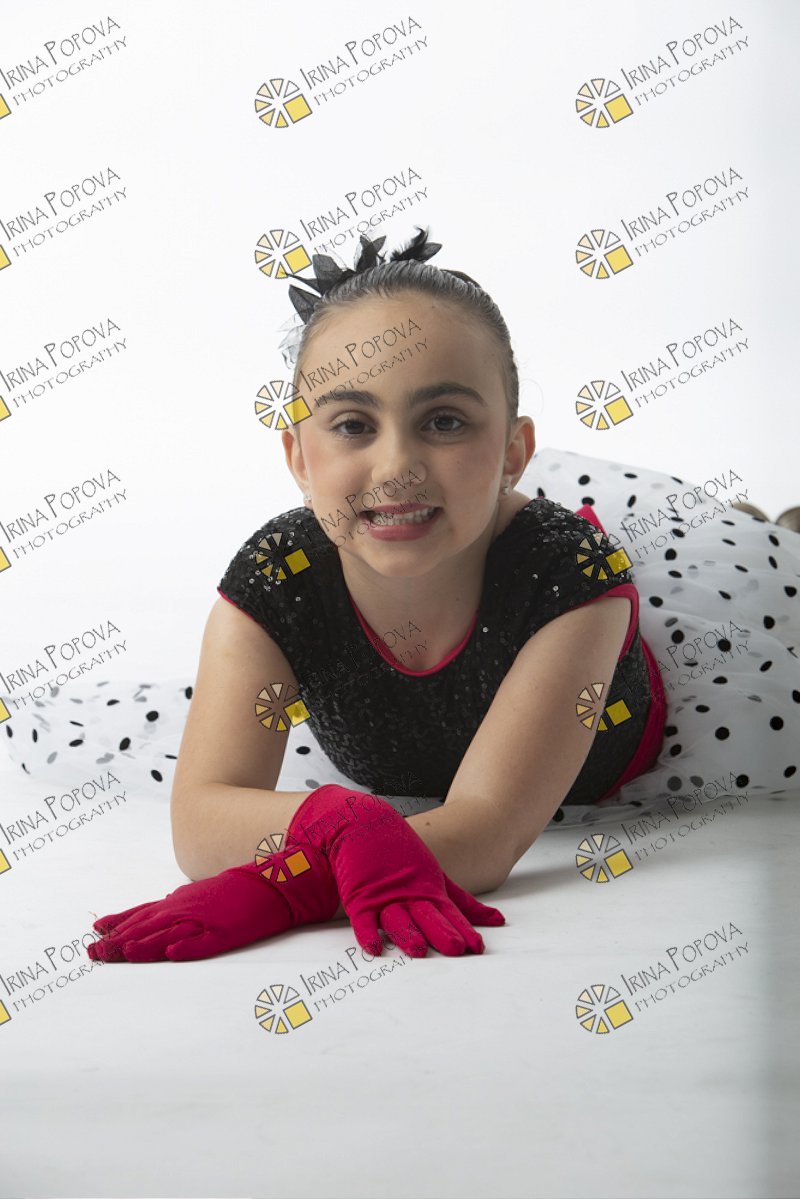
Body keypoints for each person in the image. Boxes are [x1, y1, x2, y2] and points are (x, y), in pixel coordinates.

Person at [12, 229, 797, 962]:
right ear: (299, 456)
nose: (396, 467)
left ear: (514, 450)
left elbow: (484, 833)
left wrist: (287, 886)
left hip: (658, 705)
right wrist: (339, 821)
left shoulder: (569, 578)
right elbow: (200, 820)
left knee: (768, 571)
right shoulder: (278, 577)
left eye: (444, 421)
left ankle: (768, 524)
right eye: (353, 424)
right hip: (467, 549)